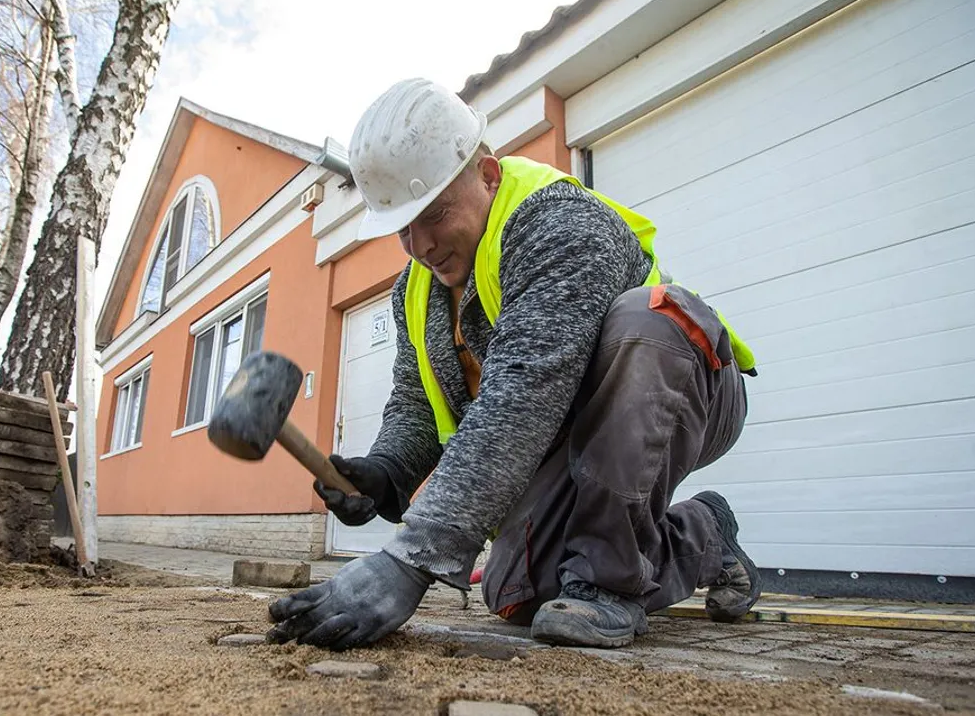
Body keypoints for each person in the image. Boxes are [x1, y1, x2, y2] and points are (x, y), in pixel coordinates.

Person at [268, 78, 760, 651]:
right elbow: (417, 401)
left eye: (436, 212)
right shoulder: (417, 290)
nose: (421, 244)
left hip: (682, 382)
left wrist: (411, 559)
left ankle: (610, 588)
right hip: (571, 427)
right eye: (404, 227)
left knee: (643, 321)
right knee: (522, 592)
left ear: (489, 175)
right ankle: (707, 534)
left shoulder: (558, 223)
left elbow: (524, 390)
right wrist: (388, 471)